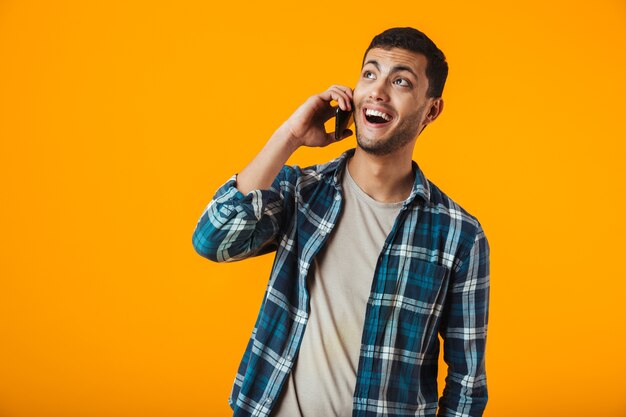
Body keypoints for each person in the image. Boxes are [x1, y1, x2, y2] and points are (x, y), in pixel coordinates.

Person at [192, 27, 490, 417]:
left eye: (400, 81)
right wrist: (291, 135)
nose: (378, 90)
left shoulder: (458, 235)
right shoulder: (301, 191)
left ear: (431, 110)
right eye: (370, 73)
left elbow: (467, 385)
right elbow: (212, 240)